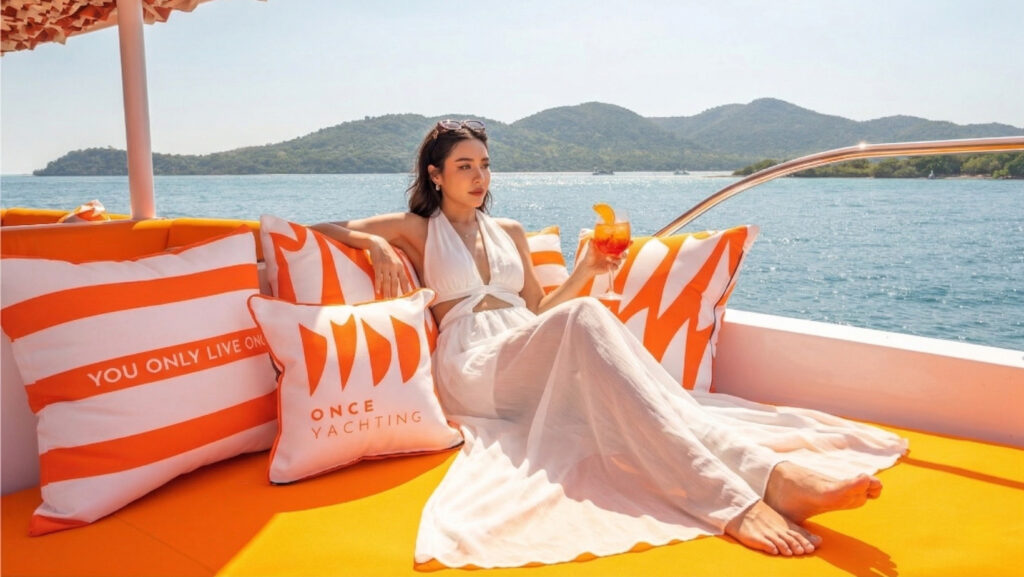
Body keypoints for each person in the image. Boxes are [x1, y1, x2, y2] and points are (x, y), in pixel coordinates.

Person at [312, 120, 907, 568]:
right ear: (436, 175)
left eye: (485, 165)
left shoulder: (509, 231)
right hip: (473, 368)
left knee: (595, 326)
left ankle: (770, 475)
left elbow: (544, 312)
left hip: (524, 344)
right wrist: (377, 247)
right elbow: (312, 230)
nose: (478, 177)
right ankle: (738, 498)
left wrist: (588, 268)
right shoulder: (416, 230)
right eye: (463, 166)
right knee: (591, 324)